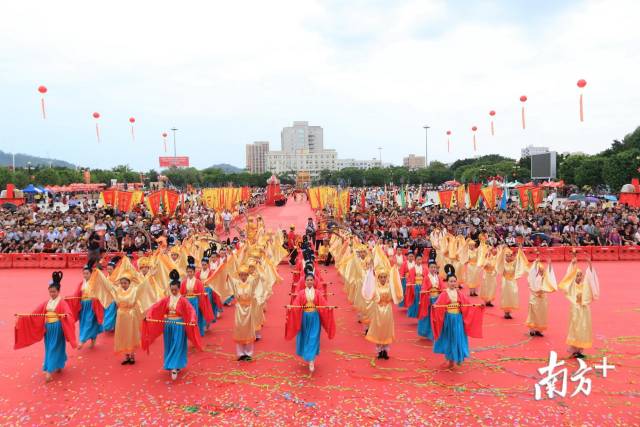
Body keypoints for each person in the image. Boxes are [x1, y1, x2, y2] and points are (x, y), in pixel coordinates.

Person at [14, 271, 77, 383]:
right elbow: (35, 313)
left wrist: (66, 316)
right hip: (48, 328)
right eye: (50, 292)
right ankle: (57, 364)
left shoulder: (62, 302)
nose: (52, 294)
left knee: (55, 347)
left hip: (58, 328)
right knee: (49, 348)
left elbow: (69, 314)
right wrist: (23, 317)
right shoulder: (46, 303)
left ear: (58, 291)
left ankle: (48, 370)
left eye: (54, 292)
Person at [142, 270, 202, 380]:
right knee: (169, 345)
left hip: (179, 325)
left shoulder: (183, 300)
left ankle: (174, 367)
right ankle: (173, 364)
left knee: (177, 345)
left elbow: (191, 310)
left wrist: (193, 319)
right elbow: (155, 307)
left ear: (179, 289)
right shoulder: (166, 299)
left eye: (175, 290)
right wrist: (149, 315)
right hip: (168, 325)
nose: (174, 291)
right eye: (172, 289)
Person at [92, 270, 156, 365]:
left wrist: (150, 275)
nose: (123, 285)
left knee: (131, 335)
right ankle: (126, 356)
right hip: (121, 316)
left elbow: (143, 286)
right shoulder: (117, 290)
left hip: (131, 316)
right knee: (122, 335)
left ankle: (132, 355)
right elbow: (107, 285)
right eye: (122, 283)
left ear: (129, 283)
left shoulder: (134, 290)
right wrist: (99, 274)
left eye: (125, 283)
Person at [431, 268, 484, 368]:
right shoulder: (444, 294)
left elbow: (467, 305)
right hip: (449, 320)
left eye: (454, 281)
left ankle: (459, 357)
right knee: (450, 338)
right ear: (447, 282)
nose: (453, 283)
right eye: (451, 281)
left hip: (458, 319)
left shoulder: (459, 293)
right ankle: (451, 359)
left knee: (458, 338)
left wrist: (477, 306)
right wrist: (434, 307)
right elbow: (438, 306)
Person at [285, 274, 336, 372]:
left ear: (314, 281)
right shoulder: (301, 293)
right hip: (304, 318)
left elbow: (323, 303)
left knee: (313, 337)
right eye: (307, 280)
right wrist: (291, 307)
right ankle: (307, 355)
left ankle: (312, 360)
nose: (309, 281)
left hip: (315, 317)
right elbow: (296, 304)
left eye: (311, 280)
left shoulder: (317, 293)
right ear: (305, 282)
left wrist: (328, 307)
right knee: (305, 337)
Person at [558, 256, 600, 358]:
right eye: (577, 276)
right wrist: (573, 264)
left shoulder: (584, 285)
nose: (579, 277)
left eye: (581, 276)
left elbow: (590, 279)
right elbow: (569, 276)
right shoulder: (572, 286)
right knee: (576, 328)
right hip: (576, 310)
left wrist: (590, 264)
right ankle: (574, 349)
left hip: (584, 310)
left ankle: (580, 350)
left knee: (584, 328)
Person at [362, 265, 403, 359]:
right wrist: (369, 273)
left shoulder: (390, 287)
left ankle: (385, 350)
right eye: (381, 277)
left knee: (386, 329)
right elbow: (369, 291)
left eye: (385, 277)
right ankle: (379, 350)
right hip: (378, 311)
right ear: (378, 278)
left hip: (388, 310)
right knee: (379, 329)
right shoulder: (375, 287)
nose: (383, 279)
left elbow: (396, 290)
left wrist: (395, 272)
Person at [68, 263, 104, 349]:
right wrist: (70, 299)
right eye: (84, 273)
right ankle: (90, 339)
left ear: (91, 274)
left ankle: (82, 341)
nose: (85, 275)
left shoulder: (95, 283)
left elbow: (100, 293)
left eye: (87, 273)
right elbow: (76, 294)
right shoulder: (81, 283)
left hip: (92, 305)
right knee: (83, 323)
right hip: (83, 306)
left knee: (89, 322)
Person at [227, 265, 259, 361]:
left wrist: (255, 267)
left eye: (245, 275)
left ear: (248, 275)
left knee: (249, 330)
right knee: (239, 329)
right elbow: (228, 276)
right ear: (239, 275)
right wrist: (226, 265)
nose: (243, 277)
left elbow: (258, 277)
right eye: (241, 275)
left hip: (249, 308)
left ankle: (248, 353)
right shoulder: (236, 283)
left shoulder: (251, 282)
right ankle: (240, 353)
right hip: (239, 309)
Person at [181, 256, 215, 337]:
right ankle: (189, 332)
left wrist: (201, 302)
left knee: (196, 316)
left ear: (194, 272)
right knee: (187, 317)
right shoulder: (184, 282)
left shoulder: (198, 282)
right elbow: (182, 293)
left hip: (196, 300)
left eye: (191, 272)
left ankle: (198, 331)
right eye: (188, 272)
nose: (189, 273)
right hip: (187, 301)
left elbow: (201, 293)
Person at [526, 257, 557, 337]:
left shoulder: (544, 277)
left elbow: (550, 275)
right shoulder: (534, 277)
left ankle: (539, 329)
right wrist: (535, 263)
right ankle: (532, 329)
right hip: (535, 298)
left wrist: (549, 265)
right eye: (540, 270)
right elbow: (531, 272)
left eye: (542, 270)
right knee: (533, 314)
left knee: (541, 314)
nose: (541, 272)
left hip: (542, 298)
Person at [417, 260, 443, 340]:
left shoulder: (438, 277)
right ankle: (428, 332)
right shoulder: (426, 278)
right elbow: (424, 288)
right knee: (428, 317)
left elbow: (442, 287)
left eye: (435, 267)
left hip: (437, 299)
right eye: (431, 267)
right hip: (429, 299)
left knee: (436, 317)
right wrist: (426, 292)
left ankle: (436, 332)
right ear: (428, 268)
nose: (433, 269)